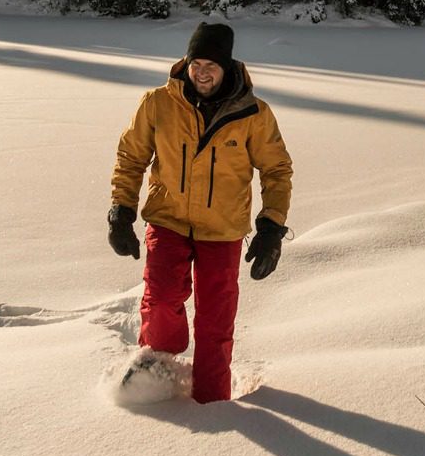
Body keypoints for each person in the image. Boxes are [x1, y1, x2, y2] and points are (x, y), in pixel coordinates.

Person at [107, 21, 293, 403]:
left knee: (215, 323)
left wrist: (272, 228)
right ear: (186, 63)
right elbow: (131, 157)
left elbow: (276, 170)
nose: (202, 73)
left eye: (211, 65)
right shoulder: (158, 103)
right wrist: (121, 211)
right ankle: (158, 373)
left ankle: (212, 403)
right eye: (196, 64)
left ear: (227, 67)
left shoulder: (253, 113)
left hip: (222, 230)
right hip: (168, 218)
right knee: (159, 299)